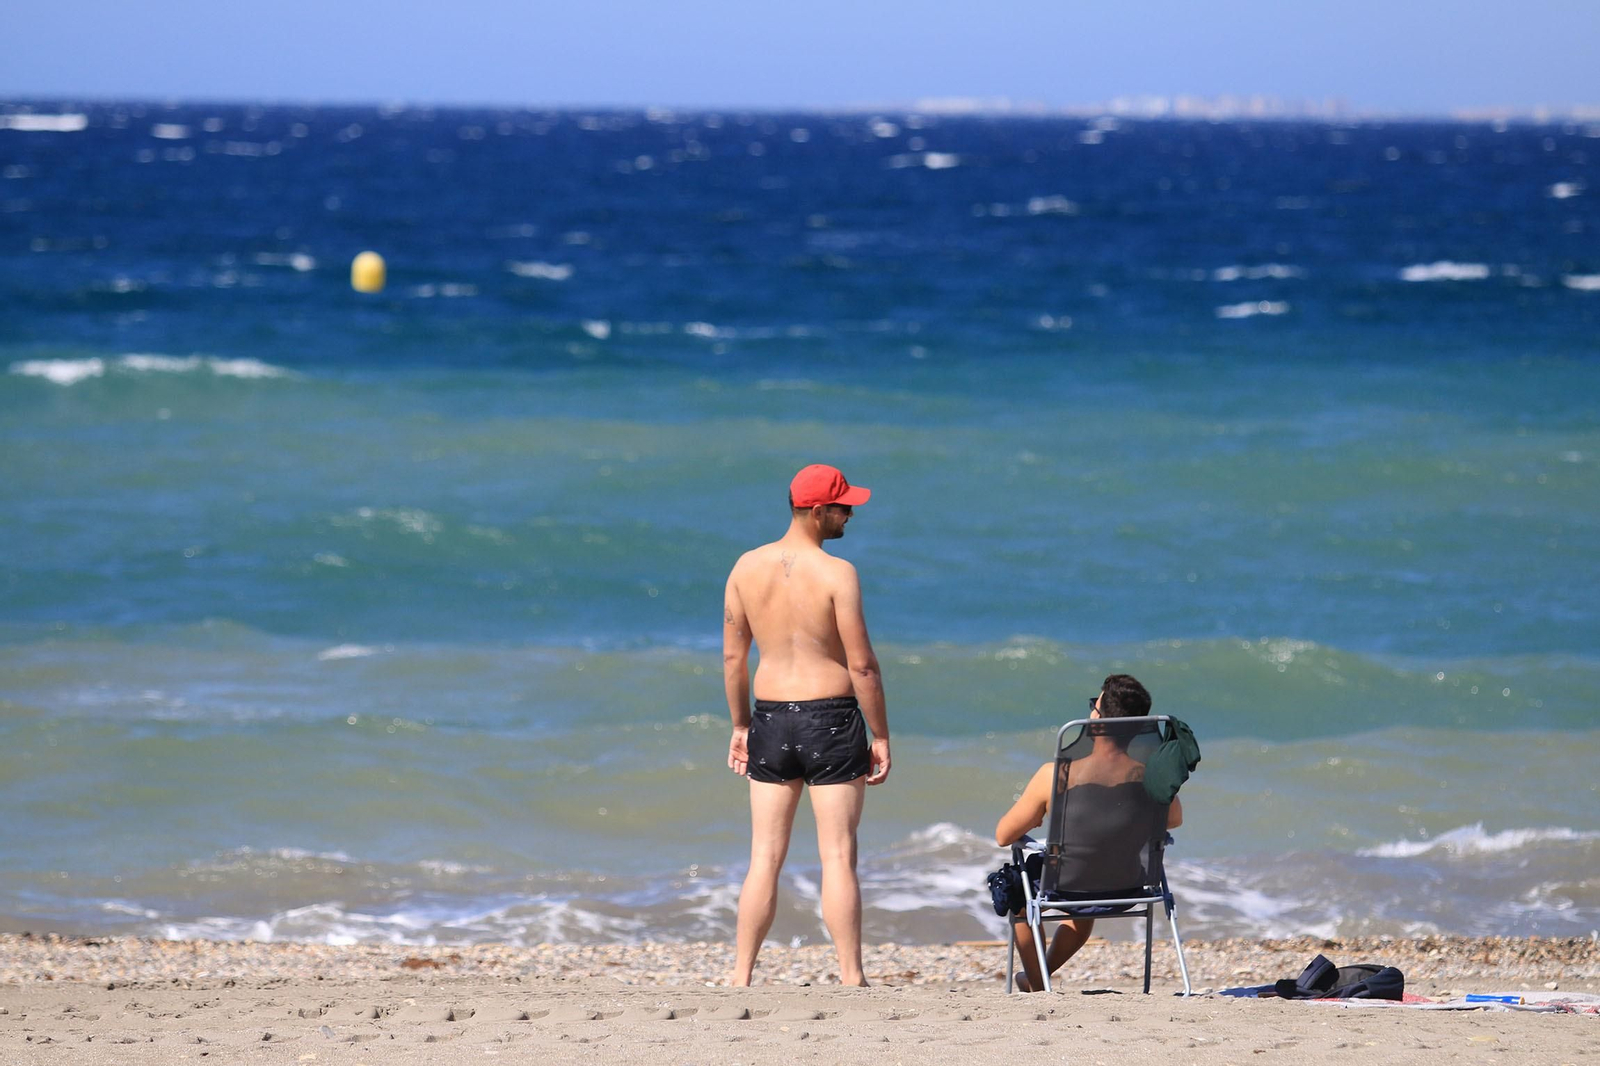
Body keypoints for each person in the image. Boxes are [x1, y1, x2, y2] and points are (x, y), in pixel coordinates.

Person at [722, 463, 891, 987]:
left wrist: (741, 725)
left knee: (764, 856)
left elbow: (733, 659)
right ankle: (850, 977)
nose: (851, 515)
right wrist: (880, 734)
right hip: (831, 719)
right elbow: (862, 664)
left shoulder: (745, 568)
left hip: (770, 718)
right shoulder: (838, 573)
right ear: (818, 511)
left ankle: (741, 975)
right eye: (844, 507)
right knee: (838, 854)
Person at [994, 674, 1184, 993]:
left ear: (1097, 722)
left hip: (1068, 885)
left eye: (1093, 707)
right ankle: (1036, 977)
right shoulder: (1150, 776)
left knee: (1015, 888)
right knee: (1082, 908)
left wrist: (1040, 815)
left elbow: (1004, 835)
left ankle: (1038, 981)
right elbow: (1174, 820)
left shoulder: (1055, 775)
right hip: (1130, 884)